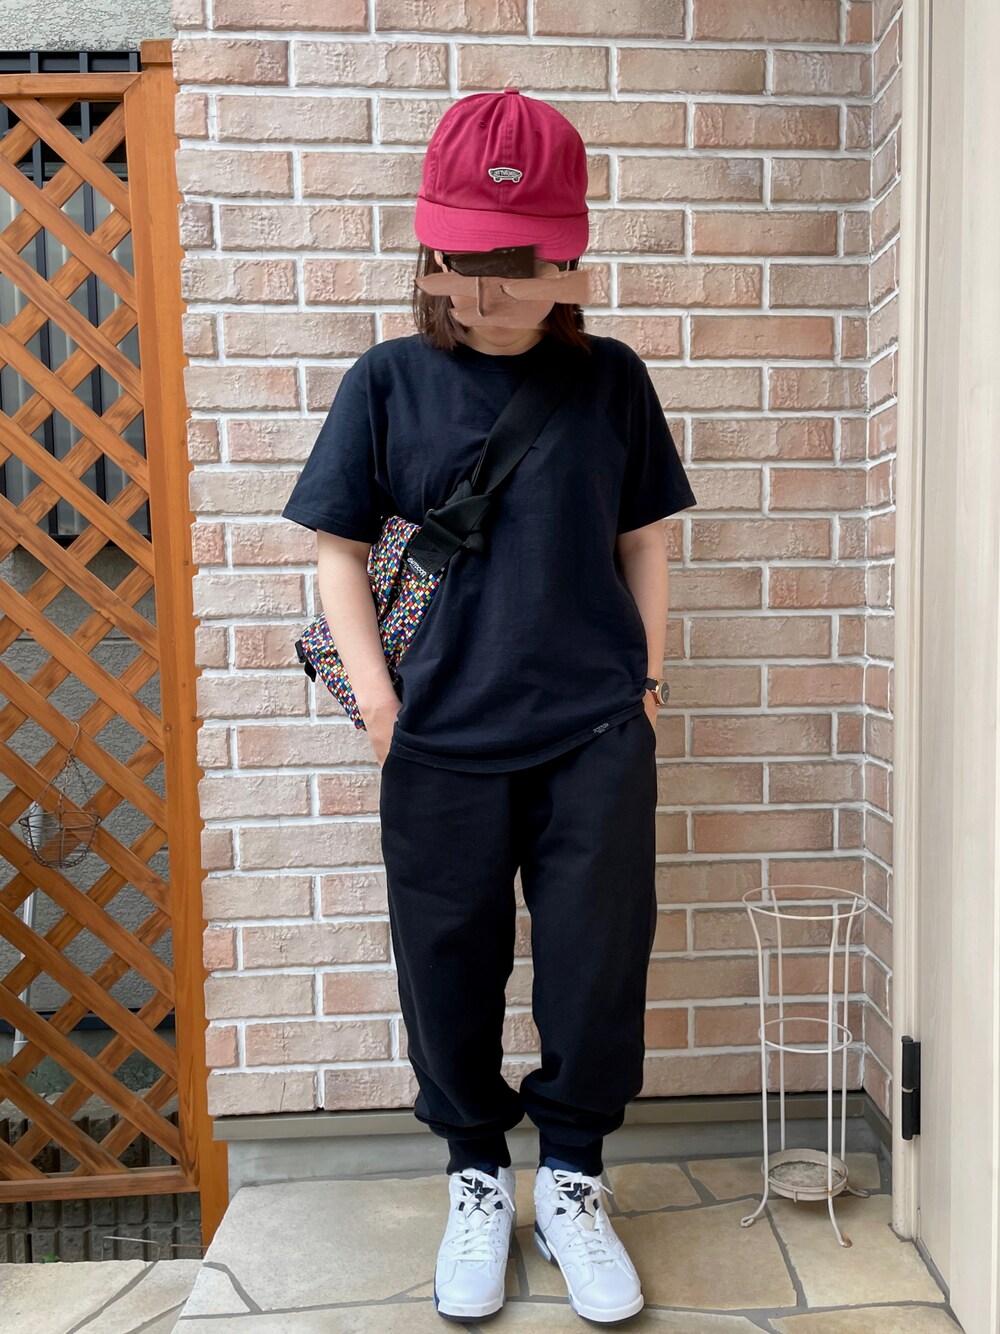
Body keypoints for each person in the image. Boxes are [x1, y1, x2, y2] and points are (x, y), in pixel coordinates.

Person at [281, 89, 697, 1325]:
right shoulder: (387, 380)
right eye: (465, 259)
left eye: (519, 263)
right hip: (438, 740)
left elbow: (645, 541)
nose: (489, 290)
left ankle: (571, 1177)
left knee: (594, 968)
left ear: (570, 257)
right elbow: (336, 552)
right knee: (447, 967)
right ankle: (474, 1173)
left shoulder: (612, 382)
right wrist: (378, 706)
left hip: (593, 734)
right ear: (430, 249)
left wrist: (647, 684)